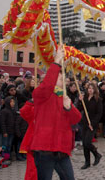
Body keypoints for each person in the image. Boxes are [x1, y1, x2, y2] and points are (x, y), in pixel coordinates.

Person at [30, 47, 82, 180]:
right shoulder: (40, 94)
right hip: (44, 149)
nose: (64, 80)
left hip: (61, 150)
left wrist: (69, 108)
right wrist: (57, 61)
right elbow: (48, 85)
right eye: (60, 77)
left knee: (69, 178)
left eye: (64, 79)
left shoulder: (63, 97)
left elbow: (77, 118)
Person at [77, 83, 103, 169]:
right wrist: (80, 101)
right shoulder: (85, 98)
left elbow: (99, 113)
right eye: (89, 88)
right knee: (85, 143)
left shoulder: (98, 100)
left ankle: (96, 154)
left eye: (92, 88)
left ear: (95, 89)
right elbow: (79, 108)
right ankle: (87, 162)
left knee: (87, 142)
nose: (90, 90)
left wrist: (92, 123)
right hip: (84, 122)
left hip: (92, 124)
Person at [19, 99, 37, 180]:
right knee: (32, 168)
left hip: (46, 145)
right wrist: (31, 102)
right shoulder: (34, 110)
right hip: (33, 144)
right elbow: (23, 112)